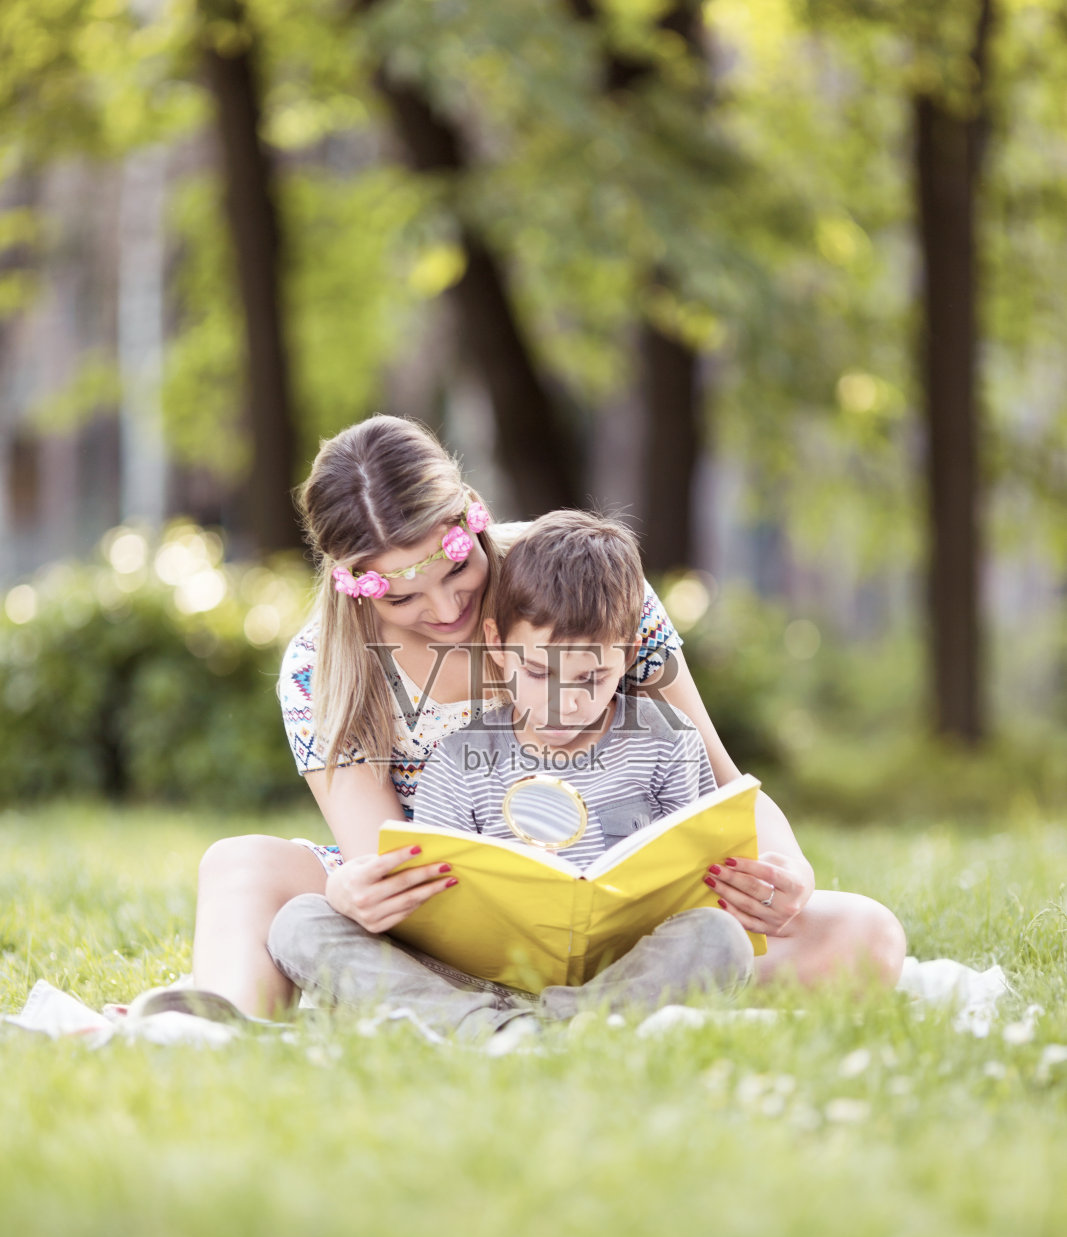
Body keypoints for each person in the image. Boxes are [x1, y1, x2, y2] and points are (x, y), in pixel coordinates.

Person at [189, 414, 905, 1018]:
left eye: (455, 572)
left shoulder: (583, 585)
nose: (442, 611)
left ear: (470, 516)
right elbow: (382, 857)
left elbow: (723, 784)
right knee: (242, 867)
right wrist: (354, 889)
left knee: (864, 935)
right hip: (441, 936)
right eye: (400, 599)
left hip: (626, 917)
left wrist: (787, 868)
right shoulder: (325, 665)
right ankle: (211, 1025)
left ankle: (491, 1018)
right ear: (351, 588)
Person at [266, 511, 757, 1034]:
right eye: (538, 671)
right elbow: (429, 900)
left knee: (719, 936)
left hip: (621, 964)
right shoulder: (458, 757)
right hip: (473, 973)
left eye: (591, 677)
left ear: (630, 655)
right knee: (300, 923)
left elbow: (695, 875)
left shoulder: (669, 740)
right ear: (498, 647)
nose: (560, 702)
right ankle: (533, 1027)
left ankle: (518, 1028)